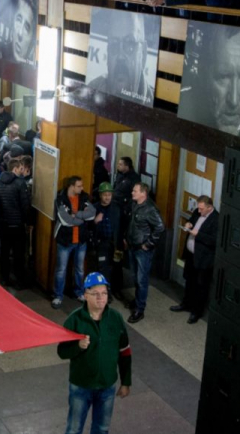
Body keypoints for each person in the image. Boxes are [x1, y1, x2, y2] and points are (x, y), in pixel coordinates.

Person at [57, 272, 132, 434]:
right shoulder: (74, 320)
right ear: (85, 295)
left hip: (107, 386)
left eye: (104, 293)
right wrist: (78, 346)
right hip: (81, 386)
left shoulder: (115, 318)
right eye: (95, 294)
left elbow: (125, 352)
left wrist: (126, 382)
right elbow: (61, 352)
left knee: (102, 429)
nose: (101, 298)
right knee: (74, 429)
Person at [84, 11, 154, 106]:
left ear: (143, 54)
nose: (120, 56)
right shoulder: (92, 91)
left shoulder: (154, 104)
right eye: (114, 44)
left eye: (130, 45)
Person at [171, 196, 218, 324]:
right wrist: (189, 224)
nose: (199, 211)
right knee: (189, 281)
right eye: (198, 207)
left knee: (201, 286)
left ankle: (196, 312)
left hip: (203, 259)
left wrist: (199, 235)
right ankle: (186, 304)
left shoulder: (216, 219)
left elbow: (215, 241)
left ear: (209, 208)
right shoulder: (198, 212)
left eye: (201, 209)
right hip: (192, 255)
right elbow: (192, 220)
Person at [52, 176, 97, 309]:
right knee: (61, 269)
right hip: (65, 240)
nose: (82, 188)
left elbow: (92, 214)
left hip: (81, 240)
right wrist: (82, 218)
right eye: (79, 186)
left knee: (80, 269)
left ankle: (79, 292)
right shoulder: (61, 199)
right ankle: (58, 296)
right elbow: (65, 221)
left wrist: (77, 215)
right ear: (71, 186)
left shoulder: (84, 198)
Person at [0, 157, 31, 288]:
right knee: (18, 254)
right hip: (17, 225)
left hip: (3, 223)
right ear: (15, 169)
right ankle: (19, 280)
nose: (22, 171)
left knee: (4, 252)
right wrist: (28, 222)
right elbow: (25, 206)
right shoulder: (20, 184)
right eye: (20, 169)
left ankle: (4, 278)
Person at [125, 182, 164, 324]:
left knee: (142, 280)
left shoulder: (150, 209)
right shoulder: (134, 204)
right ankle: (137, 300)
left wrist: (149, 244)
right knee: (135, 277)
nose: (132, 193)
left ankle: (140, 310)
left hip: (143, 250)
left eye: (135, 191)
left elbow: (160, 227)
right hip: (132, 246)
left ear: (143, 193)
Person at [91, 182, 124, 302]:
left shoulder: (116, 208)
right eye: (105, 194)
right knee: (103, 268)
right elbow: (88, 227)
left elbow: (121, 226)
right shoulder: (94, 208)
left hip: (115, 243)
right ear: (100, 195)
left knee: (116, 267)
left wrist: (122, 240)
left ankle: (117, 290)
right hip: (102, 243)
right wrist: (94, 221)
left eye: (109, 194)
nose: (107, 197)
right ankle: (106, 293)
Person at [0, 0, 37, 64]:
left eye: (26, 27)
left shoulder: (34, 65)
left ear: (33, 38)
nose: (20, 33)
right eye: (19, 20)